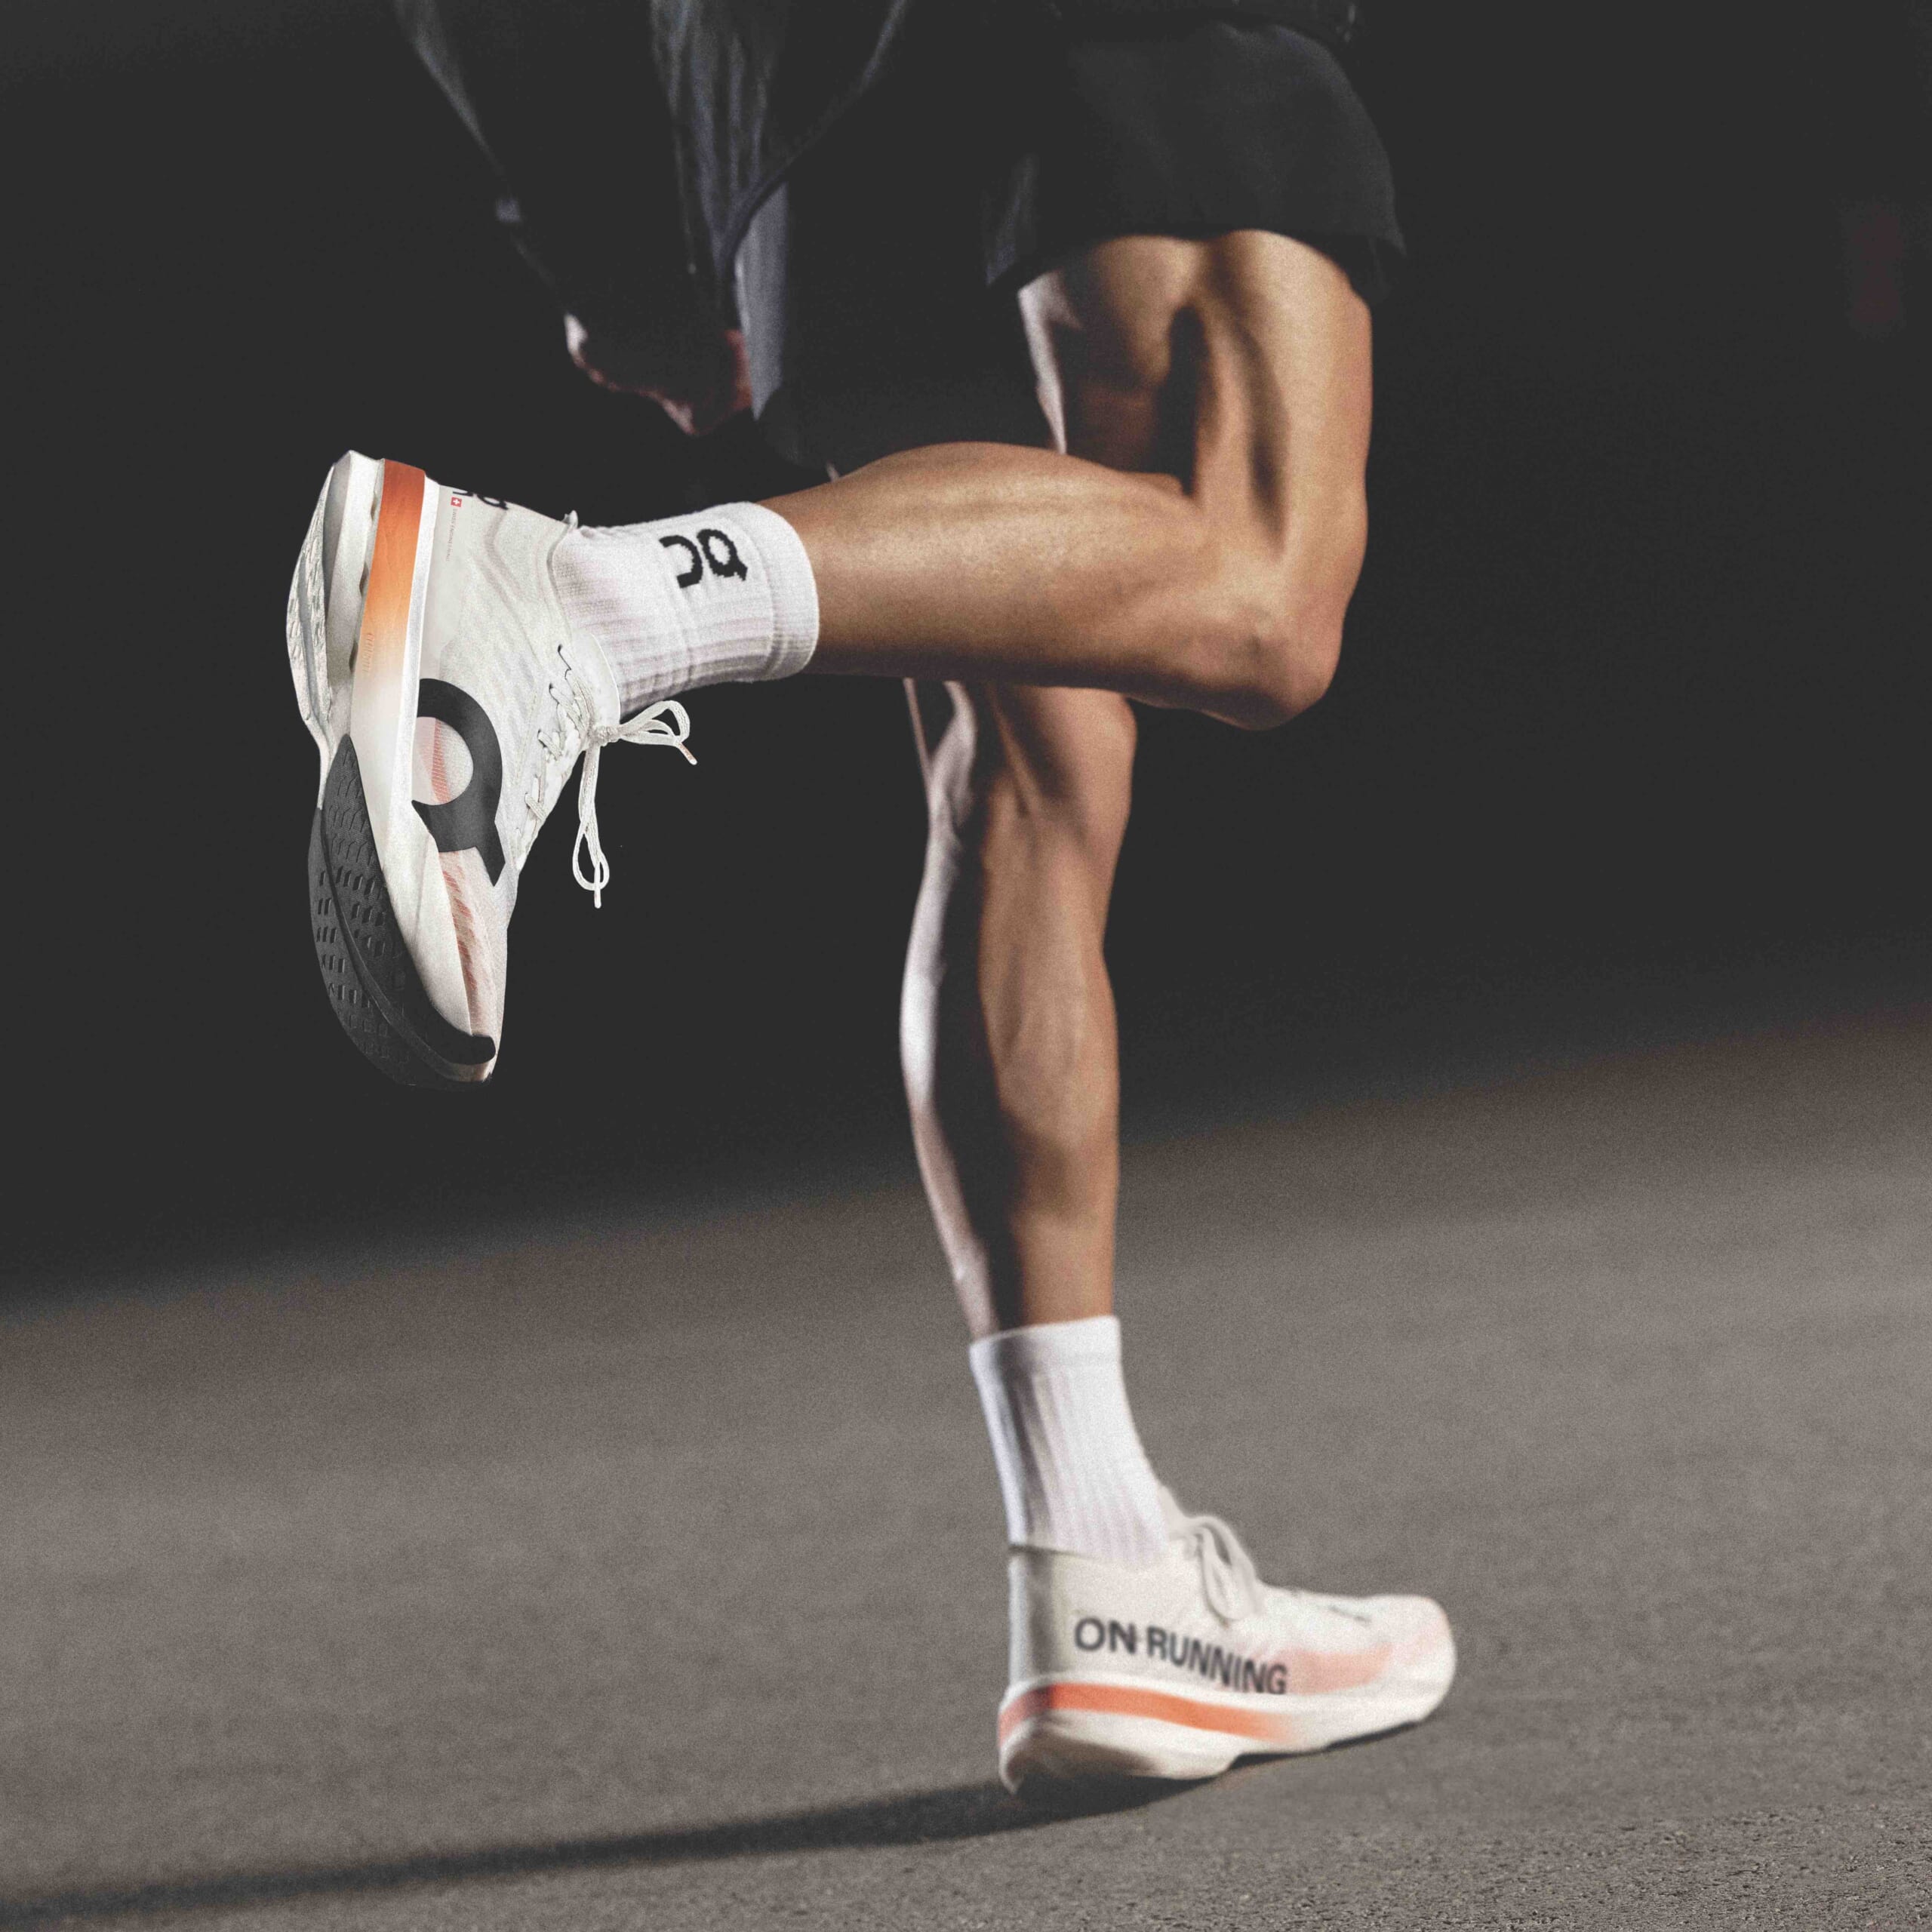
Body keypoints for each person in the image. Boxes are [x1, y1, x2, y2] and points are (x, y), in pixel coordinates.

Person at [289, 0, 1456, 1795]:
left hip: (784, 99)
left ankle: (1099, 1564)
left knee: (1026, 754)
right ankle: (581, 608)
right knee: (1256, 575)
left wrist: (614, 236)